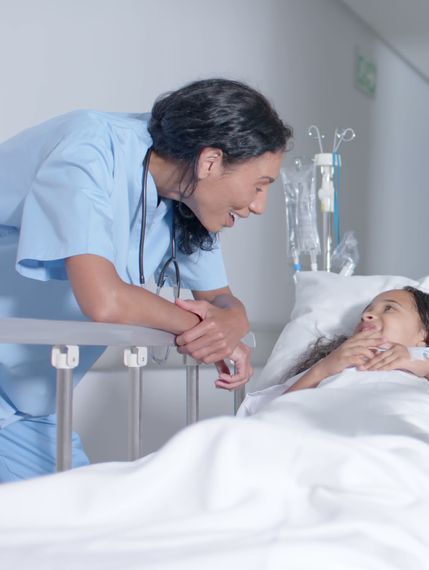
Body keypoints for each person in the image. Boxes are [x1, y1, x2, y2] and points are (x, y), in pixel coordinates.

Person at [0, 79, 292, 481]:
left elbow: (224, 301)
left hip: (23, 404)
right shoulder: (90, 148)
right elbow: (104, 300)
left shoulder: (181, 199)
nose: (259, 206)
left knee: (82, 526)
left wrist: (231, 327)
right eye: (259, 186)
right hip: (16, 389)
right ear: (209, 162)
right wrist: (204, 328)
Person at [279, 287, 429, 447]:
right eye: (366, 311)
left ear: (424, 334)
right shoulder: (330, 366)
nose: (367, 315)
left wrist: (428, 365)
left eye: (389, 308)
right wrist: (324, 368)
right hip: (316, 439)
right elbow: (276, 416)